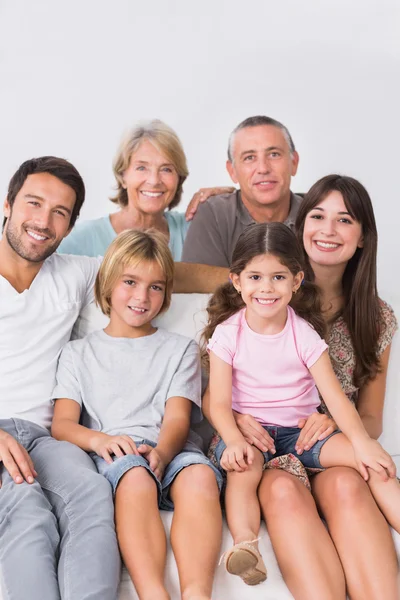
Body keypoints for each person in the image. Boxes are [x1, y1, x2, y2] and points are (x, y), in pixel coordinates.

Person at [223, 175, 399, 600]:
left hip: (333, 448)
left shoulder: (376, 318)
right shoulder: (266, 293)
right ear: (299, 227)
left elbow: (371, 418)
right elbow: (217, 388)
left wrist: (336, 425)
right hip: (268, 446)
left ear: (362, 238)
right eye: (317, 216)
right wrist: (236, 419)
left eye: (345, 220)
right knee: (283, 490)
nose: (328, 230)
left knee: (347, 485)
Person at [52, 229, 223, 600]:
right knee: (135, 479)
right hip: (117, 456)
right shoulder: (78, 354)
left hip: (172, 450)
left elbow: (178, 419)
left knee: (199, 479)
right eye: (130, 282)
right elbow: (62, 425)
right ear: (109, 282)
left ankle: (198, 593)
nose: (142, 297)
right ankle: (152, 593)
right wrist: (101, 441)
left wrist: (162, 453)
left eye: (156, 287)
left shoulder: (180, 350)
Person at [0, 157, 120, 599]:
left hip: (45, 436)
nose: (44, 221)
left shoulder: (76, 273)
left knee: (91, 493)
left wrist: (240, 275)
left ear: (69, 227)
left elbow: (153, 268)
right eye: (34, 203)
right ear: (8, 204)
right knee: (27, 507)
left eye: (60, 213)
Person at [58, 119, 234, 260]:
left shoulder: (194, 229)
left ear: (178, 178)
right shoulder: (82, 239)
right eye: (141, 168)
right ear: (122, 176)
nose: (154, 180)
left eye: (166, 169)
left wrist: (225, 201)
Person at [175, 115, 302, 292]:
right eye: (249, 157)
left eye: (274, 154)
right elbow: (193, 284)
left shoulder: (318, 213)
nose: (263, 168)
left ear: (294, 162)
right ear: (232, 171)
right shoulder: (213, 213)